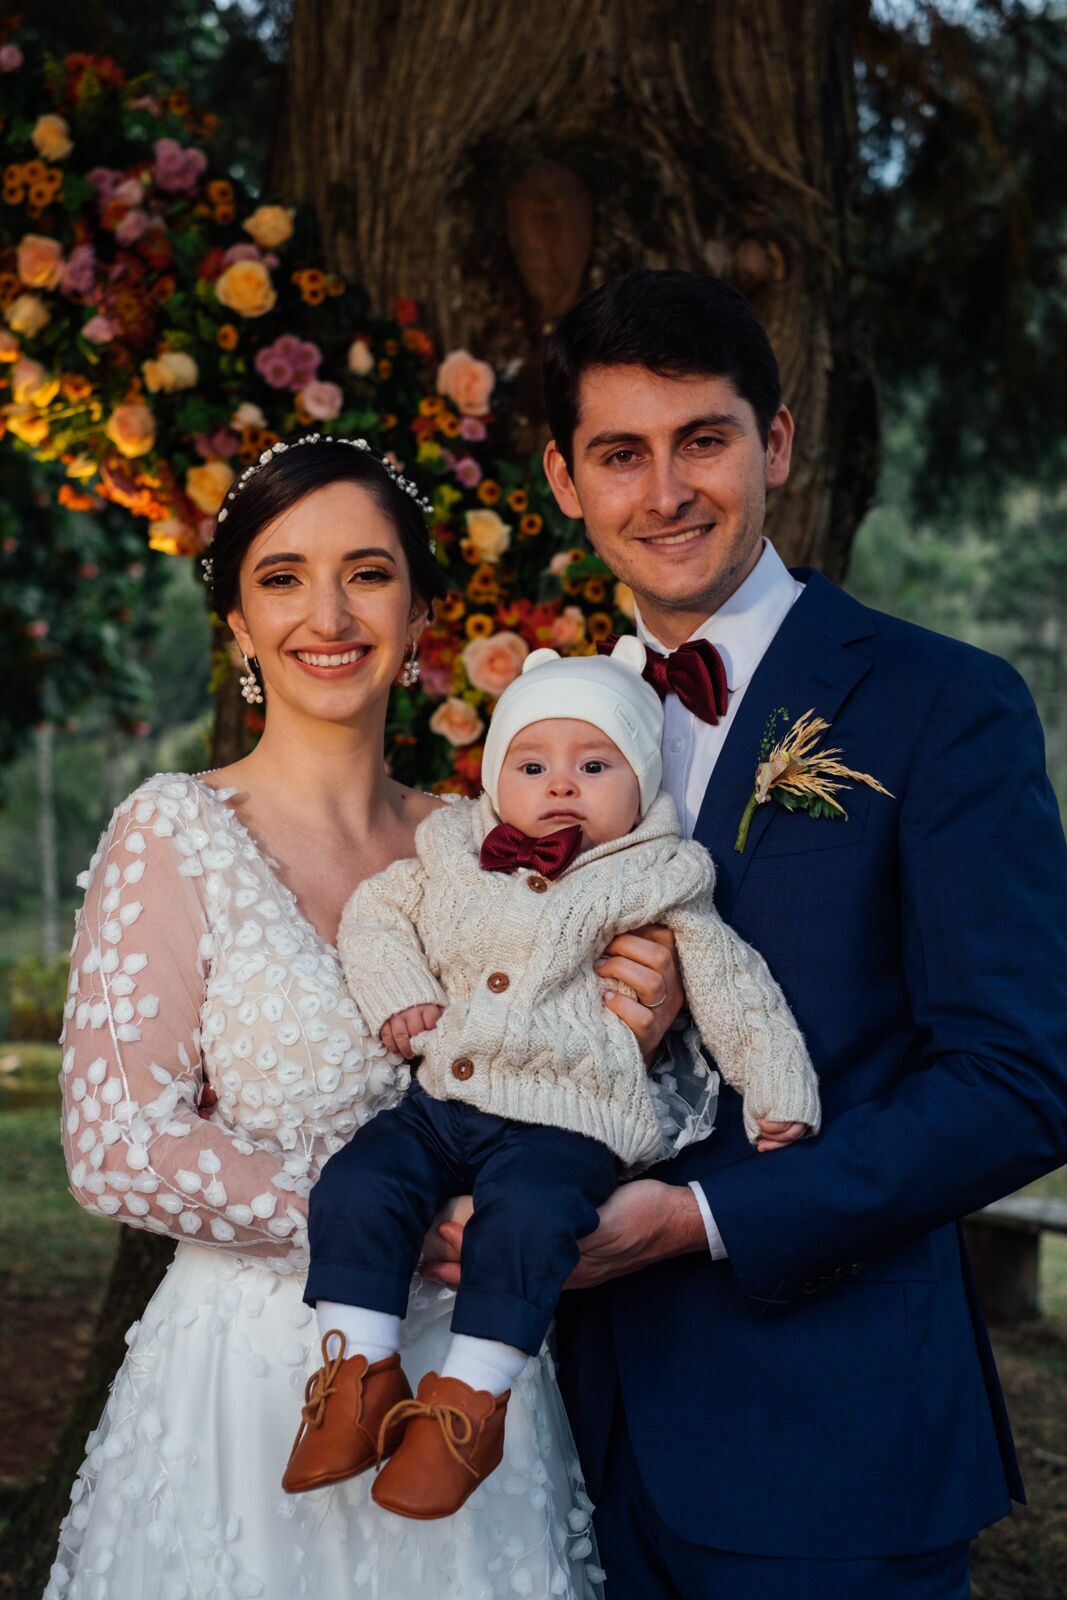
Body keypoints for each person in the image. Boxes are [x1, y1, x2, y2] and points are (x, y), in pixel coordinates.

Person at [424, 269, 1067, 1599]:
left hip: (825, 1443)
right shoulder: (541, 729)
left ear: (772, 442)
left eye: (699, 440)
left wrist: (700, 1216)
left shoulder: (939, 703)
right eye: (619, 454)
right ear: (562, 479)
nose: (663, 494)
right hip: (555, 1442)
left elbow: (1016, 1080)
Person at [46, 435, 677, 1600]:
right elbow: (115, 1148)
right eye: (280, 577)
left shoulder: (489, 849)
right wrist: (393, 1220)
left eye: (368, 572)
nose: (325, 612)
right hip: (246, 1384)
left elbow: (638, 1093)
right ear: (236, 624)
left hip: (475, 1383)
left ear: (421, 610)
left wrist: (642, 1023)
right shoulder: (174, 830)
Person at [283, 639, 819, 1519]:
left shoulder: (658, 879)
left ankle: (468, 1406)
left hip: (567, 1120)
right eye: (532, 764)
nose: (560, 784)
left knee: (526, 1224)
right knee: (357, 1183)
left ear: (643, 783)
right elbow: (377, 915)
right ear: (497, 779)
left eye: (593, 764)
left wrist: (778, 1090)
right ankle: (355, 1371)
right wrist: (403, 994)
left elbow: (732, 987)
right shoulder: (453, 852)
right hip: (443, 1098)